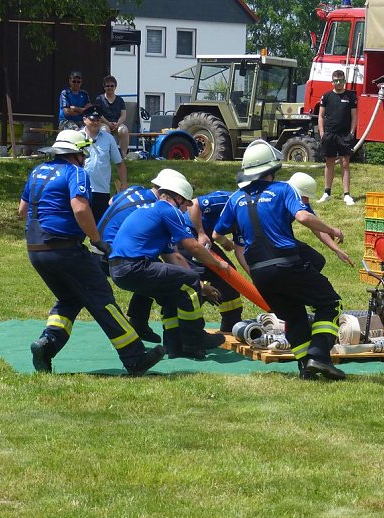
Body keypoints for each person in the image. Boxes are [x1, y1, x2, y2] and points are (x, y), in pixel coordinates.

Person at [21, 129, 165, 375]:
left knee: (69, 299)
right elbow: (80, 208)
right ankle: (135, 357)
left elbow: (23, 210)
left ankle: (47, 345)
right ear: (77, 153)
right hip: (65, 250)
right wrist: (97, 240)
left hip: (36, 251)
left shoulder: (37, 172)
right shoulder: (76, 172)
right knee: (102, 300)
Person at [214, 140, 347, 380]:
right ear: (272, 169)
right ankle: (319, 355)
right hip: (287, 264)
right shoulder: (284, 189)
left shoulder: (235, 199)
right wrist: (333, 230)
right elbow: (304, 217)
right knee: (330, 304)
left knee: (294, 316)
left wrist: (229, 246)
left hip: (259, 273)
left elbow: (216, 234)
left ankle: (305, 367)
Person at [108, 173, 233, 360]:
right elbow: (193, 247)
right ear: (178, 198)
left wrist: (202, 286)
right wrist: (218, 264)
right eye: (185, 204)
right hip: (135, 267)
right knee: (190, 281)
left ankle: (174, 346)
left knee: (172, 294)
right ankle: (194, 340)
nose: (185, 209)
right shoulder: (168, 209)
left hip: (120, 269)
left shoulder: (150, 211)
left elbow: (175, 258)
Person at [96, 169, 187, 343]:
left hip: (98, 246)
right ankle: (142, 325)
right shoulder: (156, 207)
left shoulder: (136, 190)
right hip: (114, 253)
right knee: (154, 273)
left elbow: (111, 201)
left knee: (151, 268)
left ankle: (139, 323)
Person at [180, 189, 245, 332]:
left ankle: (231, 324)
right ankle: (186, 330)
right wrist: (201, 233)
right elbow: (193, 205)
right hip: (189, 235)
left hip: (208, 239)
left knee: (229, 276)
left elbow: (239, 250)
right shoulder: (225, 198)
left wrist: (253, 274)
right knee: (195, 278)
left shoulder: (247, 215)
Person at [317, 69, 358, 206]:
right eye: (336, 81)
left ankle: (347, 194)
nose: (338, 83)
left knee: (345, 163)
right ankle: (327, 192)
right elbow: (321, 116)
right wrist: (322, 132)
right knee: (329, 162)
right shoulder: (326, 96)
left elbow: (354, 116)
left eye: (340, 81)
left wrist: (352, 132)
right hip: (329, 134)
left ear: (344, 81)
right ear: (332, 82)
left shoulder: (350, 97)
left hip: (344, 134)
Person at [81, 105, 127, 222]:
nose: (96, 123)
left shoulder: (108, 138)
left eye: (98, 120)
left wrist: (124, 184)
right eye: (92, 120)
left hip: (101, 190)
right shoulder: (77, 137)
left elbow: (119, 163)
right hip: (80, 188)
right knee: (78, 225)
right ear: (84, 119)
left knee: (100, 228)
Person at [95, 75, 130, 152]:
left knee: (124, 130)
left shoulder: (120, 100)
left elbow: (123, 115)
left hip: (117, 124)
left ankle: (124, 155)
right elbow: (99, 114)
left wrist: (117, 124)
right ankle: (106, 154)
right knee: (104, 130)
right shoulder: (99, 99)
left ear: (115, 87)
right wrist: (108, 123)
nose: (110, 88)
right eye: (107, 86)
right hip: (104, 123)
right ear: (104, 87)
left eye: (112, 86)